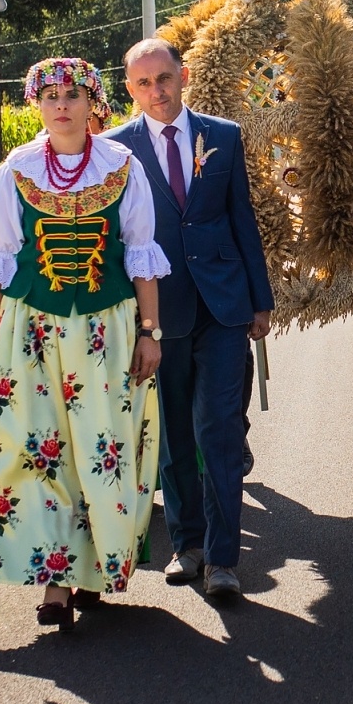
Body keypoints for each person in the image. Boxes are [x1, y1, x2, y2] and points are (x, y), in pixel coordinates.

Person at [0, 57, 168, 632]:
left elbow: (142, 257)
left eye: (72, 93)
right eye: (50, 96)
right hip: (31, 334)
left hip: (107, 333)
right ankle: (55, 583)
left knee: (101, 450)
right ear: (36, 104)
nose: (61, 105)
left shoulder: (123, 167)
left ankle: (92, 568)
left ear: (93, 101)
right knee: (39, 451)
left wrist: (150, 333)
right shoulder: (15, 171)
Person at [107, 38, 274, 602]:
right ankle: (189, 544)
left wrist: (260, 296)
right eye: (143, 83)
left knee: (219, 430)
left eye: (165, 78)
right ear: (130, 89)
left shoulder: (222, 136)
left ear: (184, 75)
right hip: (159, 313)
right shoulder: (115, 151)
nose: (157, 91)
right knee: (175, 434)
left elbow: (241, 216)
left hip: (224, 307)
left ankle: (224, 560)